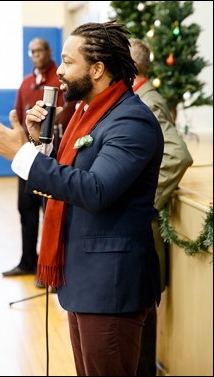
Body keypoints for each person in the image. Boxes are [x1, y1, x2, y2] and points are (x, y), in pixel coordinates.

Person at [0, 20, 164, 376]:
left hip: (109, 287)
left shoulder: (130, 122)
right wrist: (39, 144)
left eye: (68, 63)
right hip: (83, 279)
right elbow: (70, 180)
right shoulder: (89, 115)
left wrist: (23, 155)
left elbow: (95, 190)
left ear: (97, 69)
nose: (59, 74)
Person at [129, 38, 194, 376]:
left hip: (143, 226)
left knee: (141, 311)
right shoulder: (139, 98)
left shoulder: (147, 102)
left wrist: (147, 201)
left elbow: (178, 154)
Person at [2, 37, 76, 280]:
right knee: (26, 210)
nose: (34, 54)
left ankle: (49, 267)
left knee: (50, 210)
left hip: (53, 156)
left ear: (49, 52)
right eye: (31, 51)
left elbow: (68, 116)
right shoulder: (25, 83)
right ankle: (27, 262)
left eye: (39, 50)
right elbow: (20, 117)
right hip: (29, 154)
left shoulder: (62, 80)